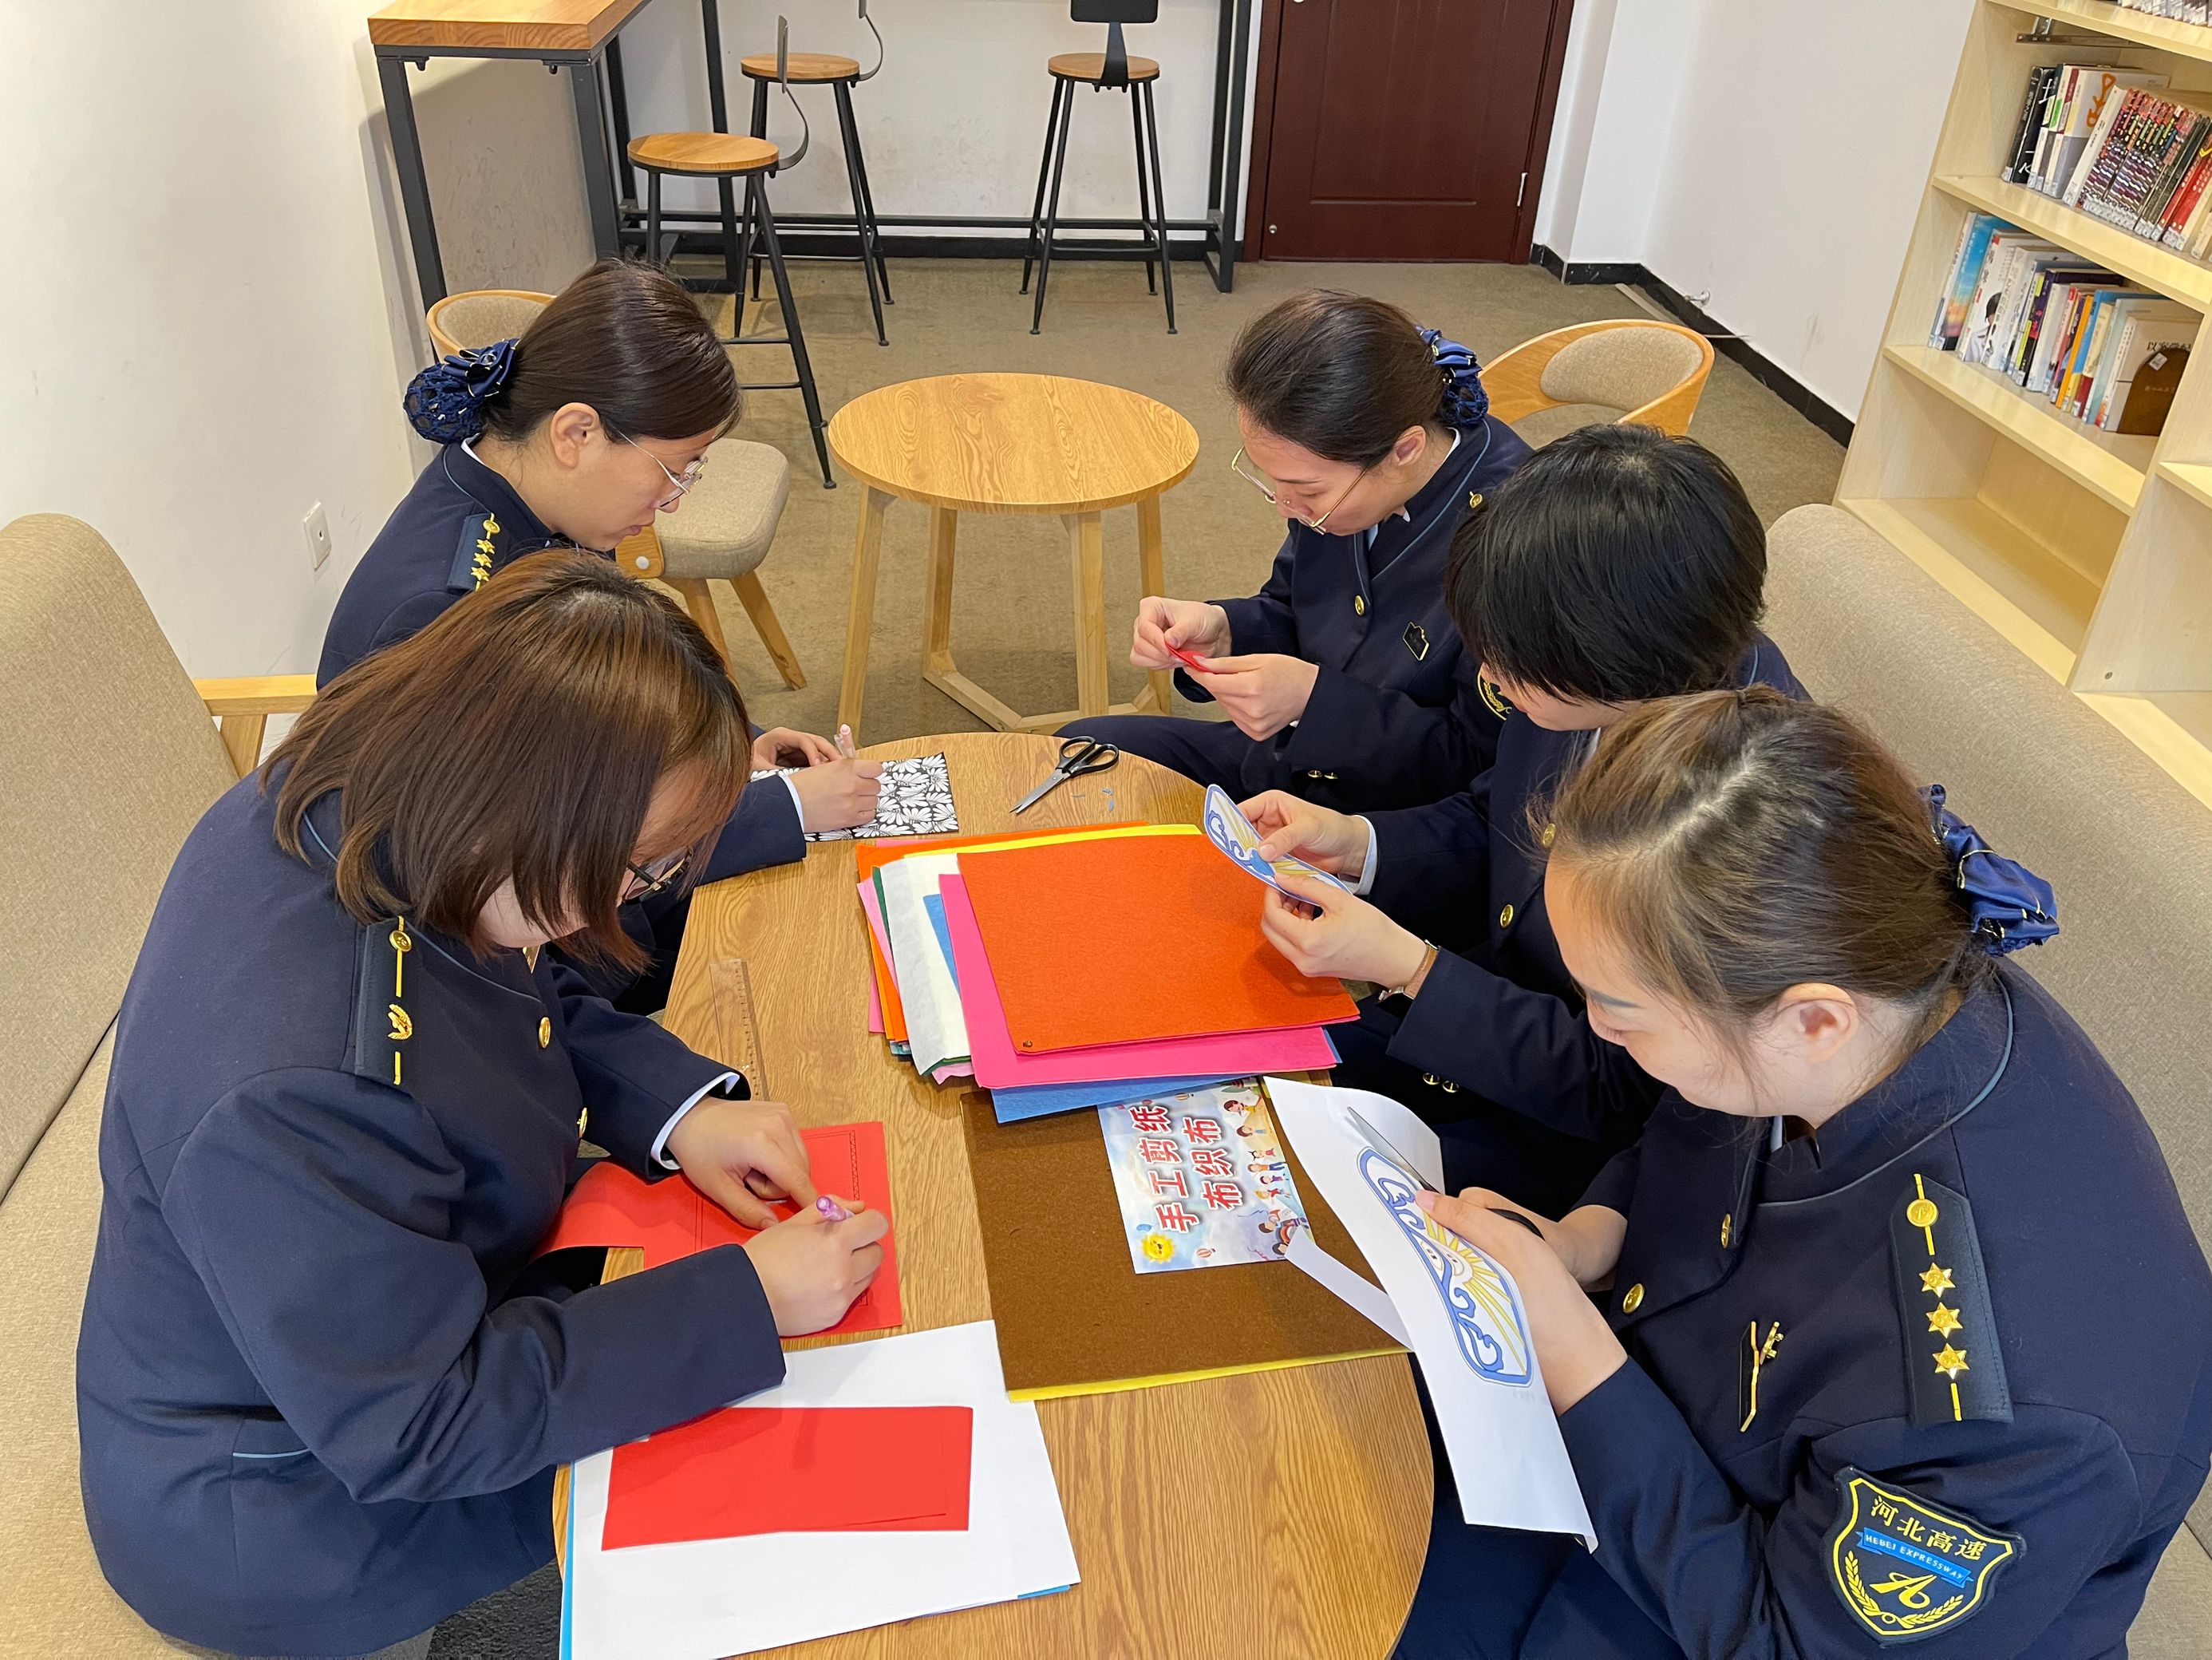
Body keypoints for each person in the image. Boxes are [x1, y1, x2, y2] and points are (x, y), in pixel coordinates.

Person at [77, 553, 889, 1660]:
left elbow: (504, 976)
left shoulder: (383, 800)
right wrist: (742, 1302)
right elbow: (421, 1422)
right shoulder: (298, 1090)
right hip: (285, 1490)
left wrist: (673, 1109)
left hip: (386, 1295)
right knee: (772, 1474)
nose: (629, 900)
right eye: (636, 868)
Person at [1395, 690, 2211, 1659]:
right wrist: (1589, 1236)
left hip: (1725, 1590)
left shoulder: (2012, 1407)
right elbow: (1693, 1125)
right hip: (1661, 1425)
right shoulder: (1858, 986)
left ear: (1814, 1019)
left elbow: (1780, 1638)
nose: (1599, 1029)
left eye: (1618, 1007)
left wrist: (1572, 1357)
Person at [1245, 426, 1802, 1215]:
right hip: (1483, 1015)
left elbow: (1628, 1092)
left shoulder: (1737, 819)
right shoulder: (1609, 674)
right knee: (1235, 1076)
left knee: (1284, 1189)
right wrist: (1359, 842)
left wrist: (1413, 967)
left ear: (1611, 659)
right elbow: (1498, 815)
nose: (1490, 680)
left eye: (1509, 666)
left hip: (1574, 1146)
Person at [322, 258, 878, 1010]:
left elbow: (611, 715)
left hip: (598, 871)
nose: (674, 502)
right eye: (674, 471)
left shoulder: (529, 508)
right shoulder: (445, 610)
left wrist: (727, 747)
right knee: (822, 957)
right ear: (577, 433)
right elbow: (544, 860)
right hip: (539, 946)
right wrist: (787, 807)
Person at [1061, 289, 1535, 813]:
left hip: (1390, 816)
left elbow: (1476, 762)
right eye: (1273, 480)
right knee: (1076, 752)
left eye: (1306, 490)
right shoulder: (1345, 478)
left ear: (1405, 450)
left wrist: (1315, 704)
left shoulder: (1518, 546)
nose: (1285, 506)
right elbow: (1295, 607)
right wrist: (1226, 630)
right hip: (1290, 758)